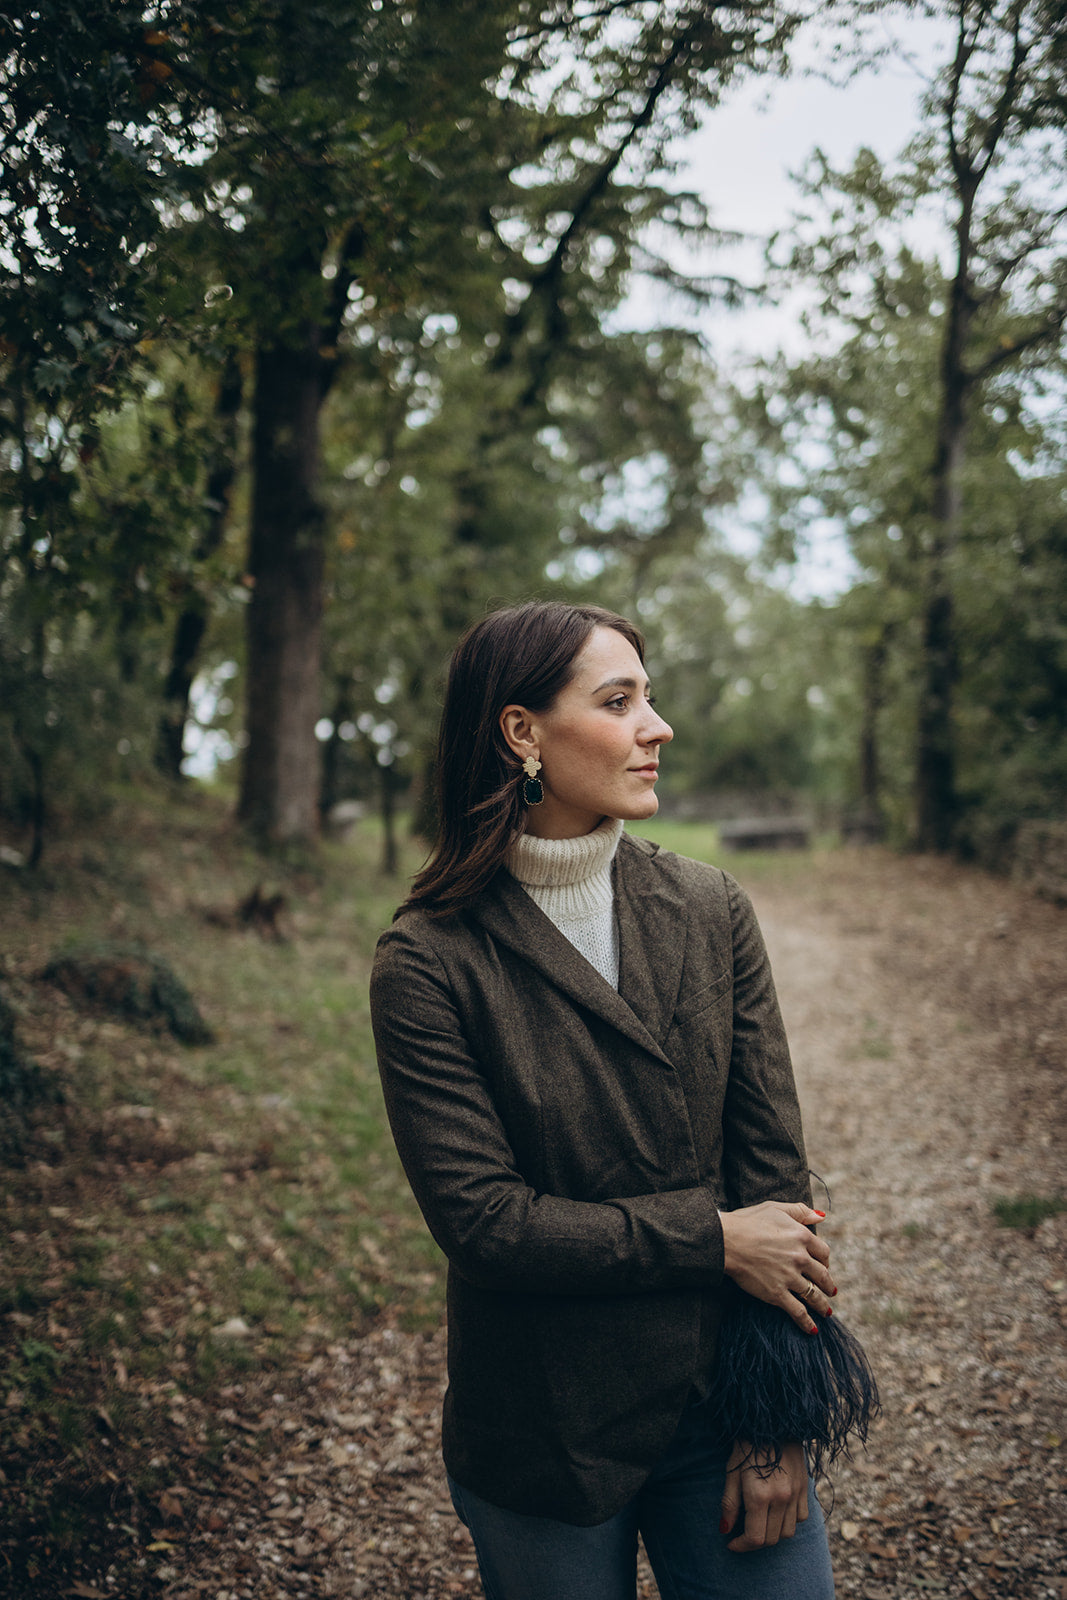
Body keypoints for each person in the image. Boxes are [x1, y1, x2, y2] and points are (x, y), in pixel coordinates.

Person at [370, 600, 840, 1600]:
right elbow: (485, 1223)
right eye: (619, 700)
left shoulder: (710, 909)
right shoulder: (428, 961)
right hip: (542, 1429)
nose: (655, 726)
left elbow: (773, 1180)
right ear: (520, 731)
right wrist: (710, 1240)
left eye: (649, 697)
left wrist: (778, 1418)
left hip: (720, 1401)